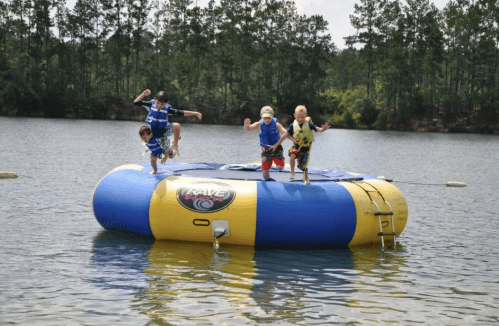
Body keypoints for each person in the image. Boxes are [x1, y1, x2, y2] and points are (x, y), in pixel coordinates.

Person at [270, 105, 329, 184]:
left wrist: (323, 129)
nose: (300, 119)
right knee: (292, 154)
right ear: (294, 115)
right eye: (298, 117)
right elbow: (285, 135)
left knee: (303, 167)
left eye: (302, 117)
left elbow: (318, 129)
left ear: (306, 115)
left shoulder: (308, 124)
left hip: (305, 147)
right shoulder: (292, 126)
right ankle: (292, 172)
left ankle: (306, 179)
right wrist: (276, 145)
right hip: (297, 145)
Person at [134, 89, 202, 157]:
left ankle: (175, 145)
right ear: (155, 100)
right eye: (158, 103)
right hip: (155, 135)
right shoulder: (151, 105)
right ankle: (172, 144)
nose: (159, 105)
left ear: (166, 103)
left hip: (165, 130)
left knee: (176, 126)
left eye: (162, 104)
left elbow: (180, 112)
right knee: (170, 156)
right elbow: (136, 102)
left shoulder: (167, 109)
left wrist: (195, 113)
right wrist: (143, 94)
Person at [244, 106, 294, 181]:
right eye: (265, 118)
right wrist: (246, 125)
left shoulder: (277, 124)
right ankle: (268, 181)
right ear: (261, 116)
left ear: (272, 116)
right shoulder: (259, 124)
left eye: (269, 118)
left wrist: (293, 140)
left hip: (276, 148)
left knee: (280, 167)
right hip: (265, 150)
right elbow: (249, 129)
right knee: (265, 173)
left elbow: (285, 132)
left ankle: (279, 159)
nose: (267, 120)